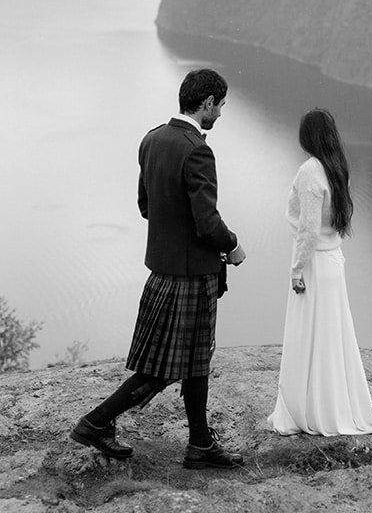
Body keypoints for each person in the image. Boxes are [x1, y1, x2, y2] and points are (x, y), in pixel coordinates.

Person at [71, 68, 248, 468]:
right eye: (219, 106)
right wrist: (233, 245)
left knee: (194, 361)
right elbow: (207, 223)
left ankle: (200, 444)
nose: (219, 114)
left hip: (163, 272)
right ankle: (95, 423)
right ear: (206, 103)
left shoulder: (152, 139)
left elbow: (146, 206)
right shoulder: (198, 150)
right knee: (160, 369)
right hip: (191, 277)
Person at [267, 108, 372, 436]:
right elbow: (332, 225)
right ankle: (332, 407)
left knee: (308, 338)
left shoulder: (309, 172)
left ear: (307, 137)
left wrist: (296, 270)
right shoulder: (337, 169)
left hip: (314, 263)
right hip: (333, 261)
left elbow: (308, 229)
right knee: (331, 339)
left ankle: (309, 413)